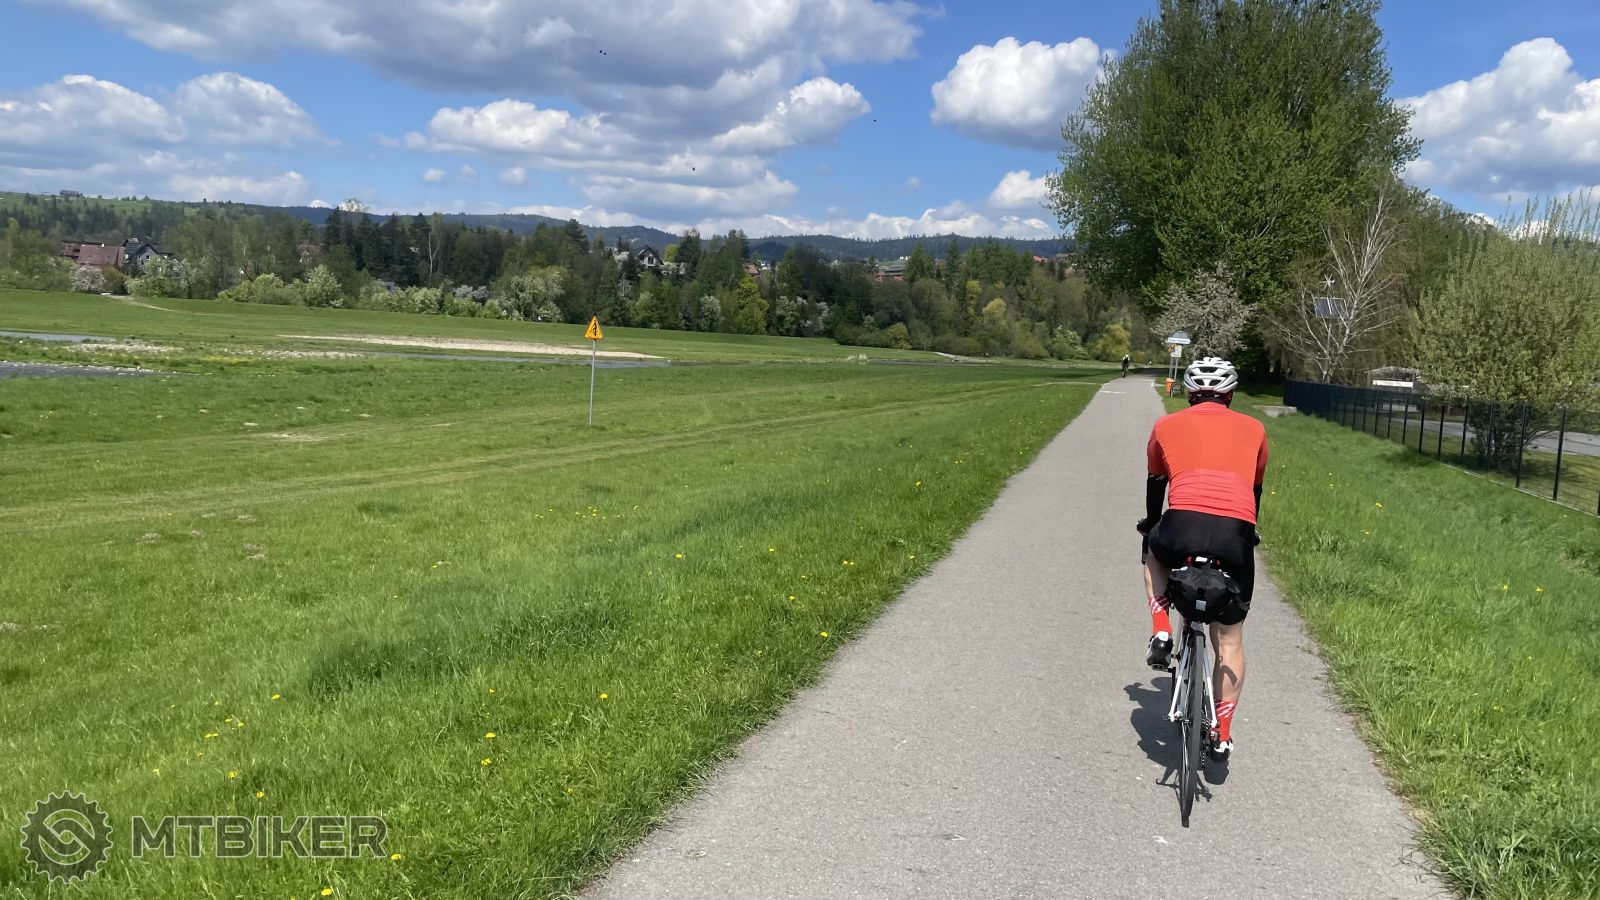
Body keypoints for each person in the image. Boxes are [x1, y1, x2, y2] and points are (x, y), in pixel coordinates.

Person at [1136, 357, 1266, 762]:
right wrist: (1248, 530)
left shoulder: (1166, 425)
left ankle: (1161, 628)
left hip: (1183, 523)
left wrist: (1151, 526)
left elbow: (1156, 482)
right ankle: (1221, 734)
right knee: (1229, 638)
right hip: (1235, 530)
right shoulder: (1255, 428)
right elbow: (1255, 488)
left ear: (1189, 393)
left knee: (1154, 554)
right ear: (1231, 394)